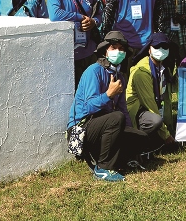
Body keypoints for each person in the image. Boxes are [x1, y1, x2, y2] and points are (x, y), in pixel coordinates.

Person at [67, 31, 165, 182]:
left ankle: (123, 159)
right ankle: (103, 168)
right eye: (114, 48)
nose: (118, 52)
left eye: (121, 49)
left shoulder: (120, 77)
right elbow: (87, 108)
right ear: (105, 51)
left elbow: (123, 110)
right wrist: (108, 95)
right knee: (115, 118)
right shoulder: (94, 71)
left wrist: (131, 137)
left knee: (141, 138)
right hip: (81, 130)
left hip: (104, 127)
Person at [47, 0, 103, 86]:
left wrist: (93, 22)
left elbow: (100, 13)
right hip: (68, 54)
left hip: (89, 52)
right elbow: (55, 14)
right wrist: (80, 17)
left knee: (92, 88)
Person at [126, 32, 178, 147]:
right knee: (155, 120)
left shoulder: (164, 68)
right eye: (157, 46)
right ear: (149, 49)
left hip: (152, 109)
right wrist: (166, 135)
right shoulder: (142, 72)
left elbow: (170, 91)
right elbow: (149, 103)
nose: (161, 50)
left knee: (156, 119)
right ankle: (137, 139)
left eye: (165, 47)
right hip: (137, 111)